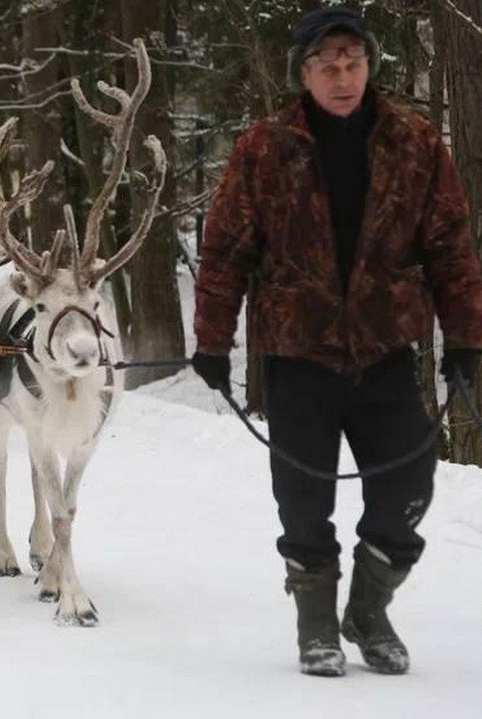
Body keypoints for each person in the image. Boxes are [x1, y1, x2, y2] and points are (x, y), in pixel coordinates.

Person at [192, 6, 482, 678]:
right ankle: (316, 624)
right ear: (303, 74)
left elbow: (450, 250)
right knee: (302, 497)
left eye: (353, 61)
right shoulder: (263, 147)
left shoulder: (414, 143)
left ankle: (368, 609)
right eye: (327, 64)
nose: (342, 75)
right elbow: (225, 250)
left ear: (368, 66)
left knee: (407, 483)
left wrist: (465, 338)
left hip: (385, 349)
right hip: (297, 353)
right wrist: (212, 339)